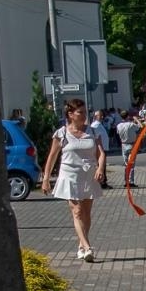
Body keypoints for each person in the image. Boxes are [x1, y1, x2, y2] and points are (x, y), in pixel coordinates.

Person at [40, 98, 106, 261]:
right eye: (80, 113)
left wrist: (100, 168)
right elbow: (52, 157)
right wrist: (46, 178)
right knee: (77, 211)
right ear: (70, 114)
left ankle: (81, 246)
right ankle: (87, 246)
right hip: (69, 175)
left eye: (85, 112)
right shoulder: (62, 133)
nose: (84, 116)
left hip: (88, 174)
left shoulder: (92, 131)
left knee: (86, 213)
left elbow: (101, 153)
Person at [116, 111, 142, 179]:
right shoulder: (131, 124)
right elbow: (141, 127)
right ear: (128, 116)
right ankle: (131, 181)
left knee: (126, 164)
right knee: (131, 164)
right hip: (131, 145)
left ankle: (126, 179)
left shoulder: (119, 125)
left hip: (123, 145)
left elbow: (118, 133)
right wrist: (136, 120)